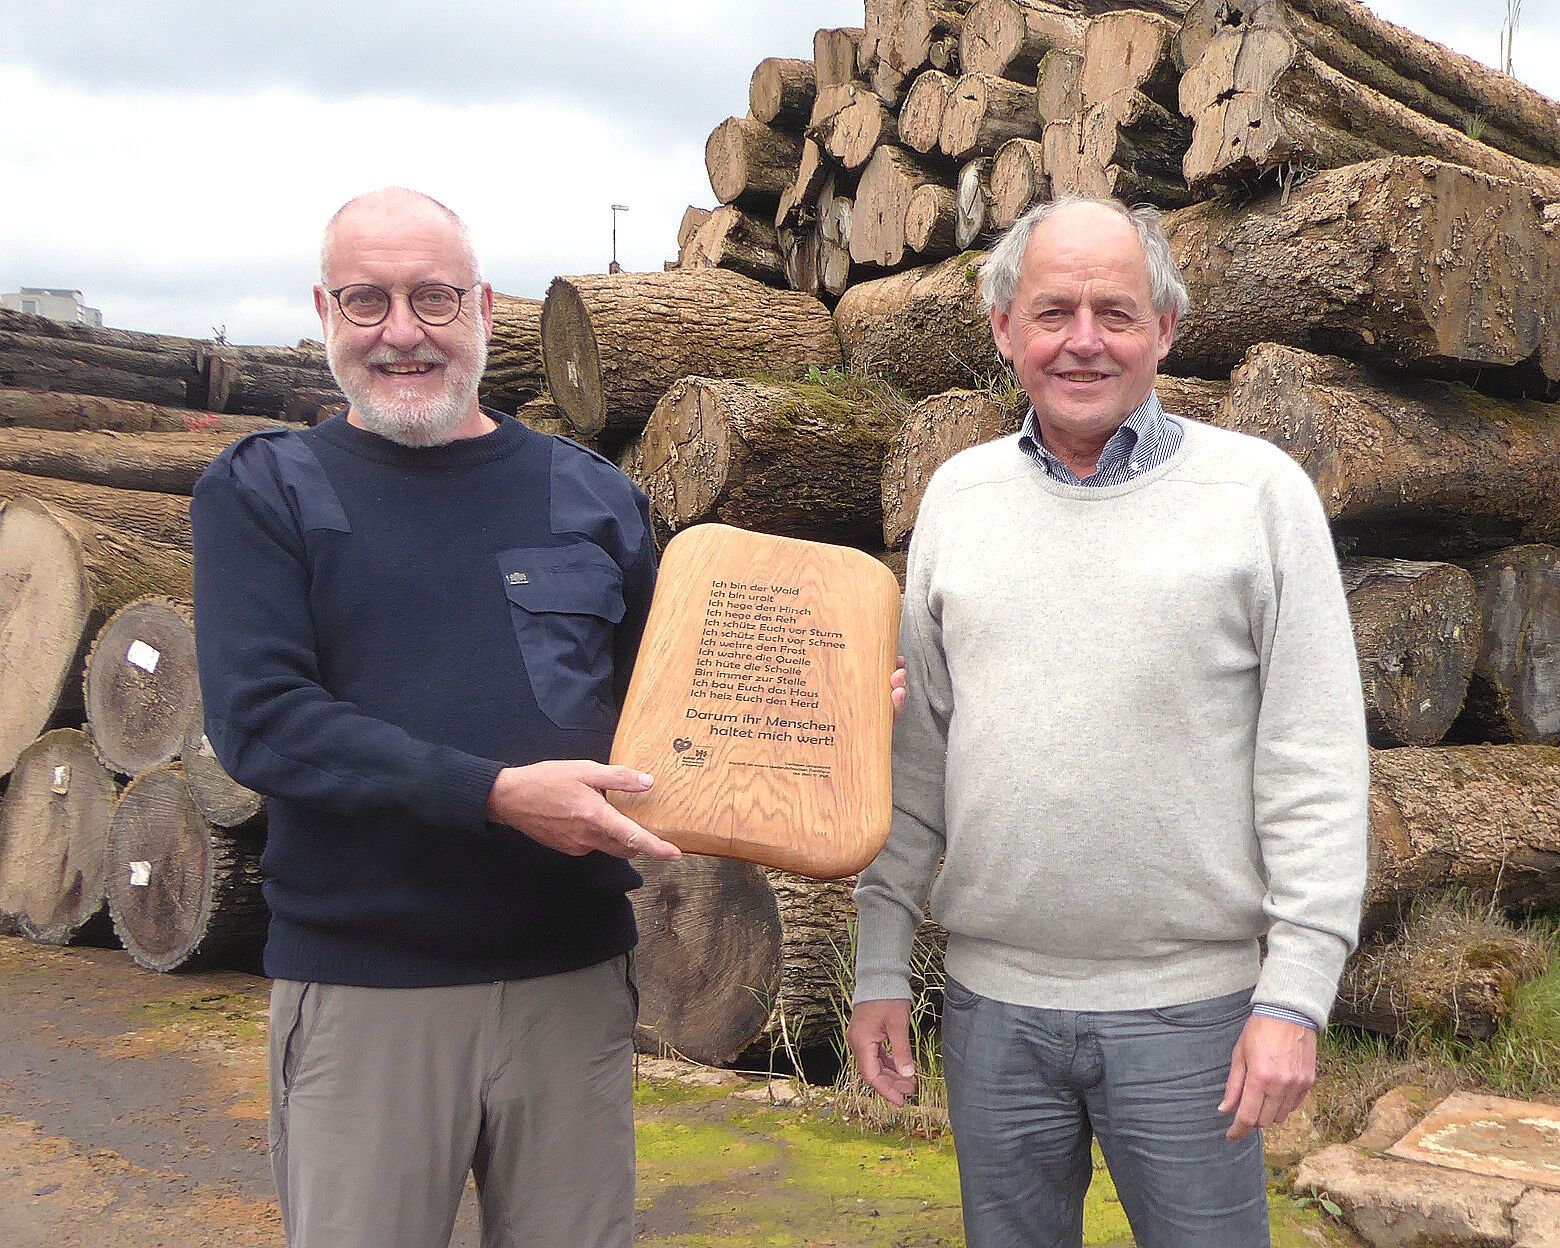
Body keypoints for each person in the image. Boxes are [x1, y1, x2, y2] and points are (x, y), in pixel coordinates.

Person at [846, 197, 1369, 1248]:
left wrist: (1296, 994)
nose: (1083, 340)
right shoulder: (956, 499)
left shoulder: (1261, 496)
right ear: (1004, 330)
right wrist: (876, 964)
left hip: (1198, 1016)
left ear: (1165, 329)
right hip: (995, 1014)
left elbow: (1316, 761)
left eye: (1116, 312)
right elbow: (916, 755)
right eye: (1052, 312)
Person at [191, 187, 683, 1248]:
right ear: (324, 312)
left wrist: (814, 725)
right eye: (368, 301)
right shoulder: (268, 489)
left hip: (570, 981)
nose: (403, 332)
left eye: (432, 297)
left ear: (486, 309)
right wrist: (497, 797)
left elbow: (663, 706)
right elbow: (264, 721)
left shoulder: (590, 493)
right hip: (369, 984)